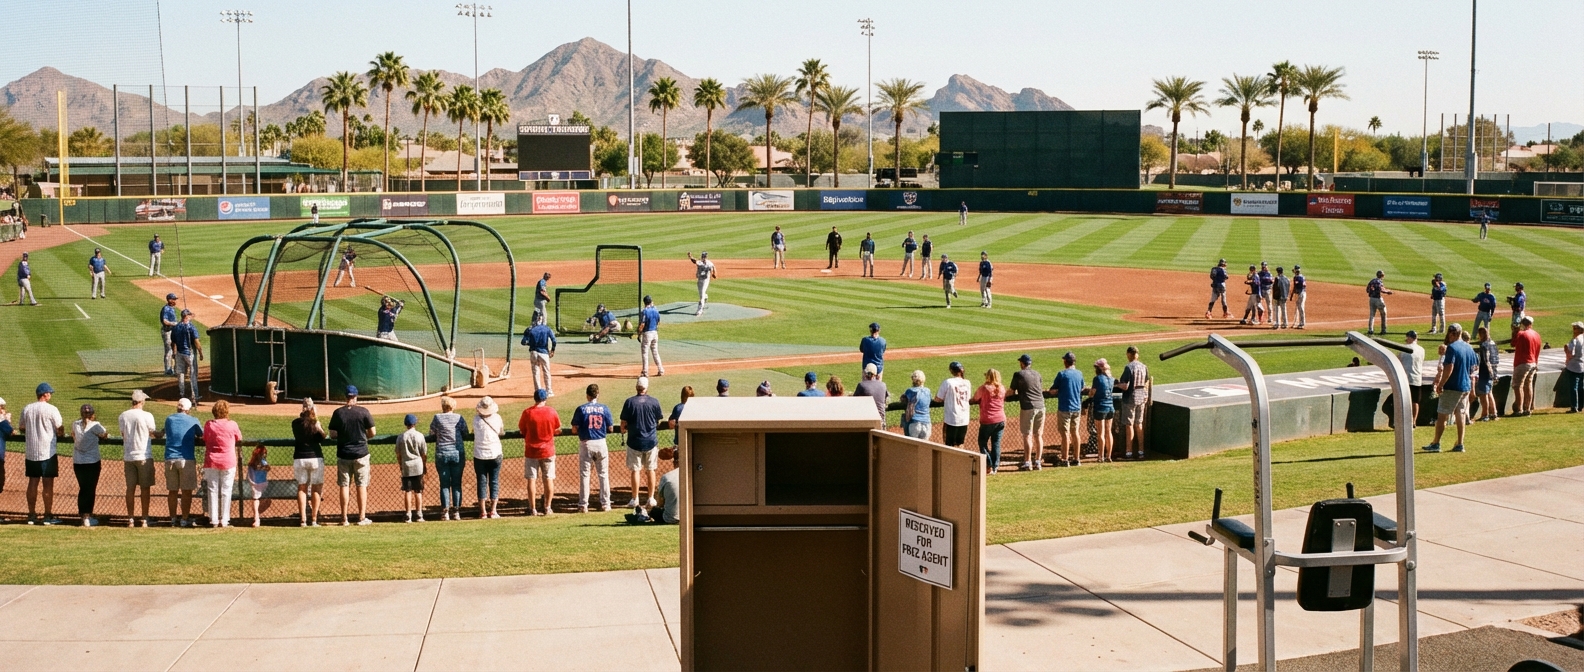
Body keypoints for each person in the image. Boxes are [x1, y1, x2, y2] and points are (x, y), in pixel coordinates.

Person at [1423, 324, 1477, 453]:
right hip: (1465, 386)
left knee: (1442, 415)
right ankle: (1460, 443)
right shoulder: (1469, 347)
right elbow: (1474, 367)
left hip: (1452, 386)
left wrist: (1441, 384)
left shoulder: (1452, 348)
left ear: (1452, 334)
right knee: (1461, 414)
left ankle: (1436, 443)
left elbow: (1449, 368)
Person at [328, 385, 376, 526]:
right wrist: (363, 436)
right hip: (361, 454)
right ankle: (361, 517)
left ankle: (344, 518)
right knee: (361, 485)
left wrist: (344, 435)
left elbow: (332, 434)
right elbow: (372, 432)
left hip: (344, 454)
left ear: (346, 397)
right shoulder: (363, 411)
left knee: (344, 486)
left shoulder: (338, 413)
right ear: (356, 396)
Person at [22, 382, 65, 525]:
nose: (50, 395)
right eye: (49, 393)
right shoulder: (52, 409)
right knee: (47, 484)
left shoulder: (27, 408)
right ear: (45, 394)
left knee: (32, 482)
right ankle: (47, 515)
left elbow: (21, 427)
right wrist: (60, 434)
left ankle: (31, 515)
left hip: (31, 452)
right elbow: (59, 428)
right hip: (48, 452)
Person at [621, 377, 664, 508]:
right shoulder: (654, 402)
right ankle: (651, 498)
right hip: (651, 441)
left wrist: (623, 429)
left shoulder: (629, 402)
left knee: (635, 470)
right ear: (646, 388)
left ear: (637, 387)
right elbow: (658, 420)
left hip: (634, 441)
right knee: (651, 470)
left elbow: (623, 423)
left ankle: (635, 499)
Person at [571, 384, 614, 513]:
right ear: (597, 394)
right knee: (603, 475)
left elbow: (574, 429)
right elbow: (610, 428)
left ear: (587, 395)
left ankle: (583, 505)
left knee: (585, 475)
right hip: (601, 443)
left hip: (586, 444)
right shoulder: (604, 408)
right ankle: (606, 504)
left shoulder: (581, 409)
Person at [118, 390, 158, 527]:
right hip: (143, 455)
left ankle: (130, 518)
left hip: (129, 456)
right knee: (145, 488)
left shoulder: (123, 415)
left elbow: (123, 434)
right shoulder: (147, 415)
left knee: (130, 489)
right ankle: (144, 518)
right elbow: (153, 433)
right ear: (141, 401)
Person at [519, 389, 560, 516]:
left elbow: (522, 430)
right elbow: (557, 428)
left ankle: (532, 509)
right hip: (548, 450)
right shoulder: (551, 411)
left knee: (531, 479)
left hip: (531, 451)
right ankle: (548, 507)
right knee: (548, 479)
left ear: (535, 398)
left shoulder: (527, 413)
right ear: (545, 398)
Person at [201, 400, 242, 528]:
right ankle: (224, 520)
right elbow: (239, 438)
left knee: (212, 490)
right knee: (226, 490)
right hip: (228, 461)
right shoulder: (232, 424)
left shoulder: (209, 424)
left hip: (212, 461)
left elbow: (205, 438)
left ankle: (213, 519)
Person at [162, 398, 201, 527]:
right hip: (186, 458)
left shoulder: (169, 419)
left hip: (170, 458)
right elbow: (200, 434)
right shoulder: (193, 420)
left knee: (172, 491)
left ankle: (173, 519)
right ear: (188, 409)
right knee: (186, 491)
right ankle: (184, 519)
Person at [429, 396, 468, 521]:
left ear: (443, 406)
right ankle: (456, 512)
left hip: (442, 453)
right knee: (456, 484)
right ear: (453, 406)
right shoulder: (459, 418)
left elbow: (431, 433)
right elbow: (465, 432)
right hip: (457, 454)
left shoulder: (437, 418)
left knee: (444, 484)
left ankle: (445, 512)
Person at [70, 404, 108, 527]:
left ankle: (83, 515)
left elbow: (73, 435)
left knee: (83, 488)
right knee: (90, 489)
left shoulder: (75, 424)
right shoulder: (95, 425)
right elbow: (104, 434)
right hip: (92, 462)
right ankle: (87, 517)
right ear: (92, 414)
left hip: (78, 462)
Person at [291, 398, 326, 527]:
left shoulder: (295, 423)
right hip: (315, 457)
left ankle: (303, 520)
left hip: (300, 458)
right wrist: (316, 418)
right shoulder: (315, 423)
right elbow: (323, 437)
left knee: (302, 488)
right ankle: (314, 519)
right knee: (316, 488)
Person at [1008, 354, 1046, 469]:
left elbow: (1011, 391)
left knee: (1027, 435)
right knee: (1038, 435)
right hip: (1041, 406)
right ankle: (1038, 462)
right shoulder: (1037, 374)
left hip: (1028, 407)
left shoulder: (1018, 374)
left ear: (1022, 363)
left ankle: (1028, 462)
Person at [471, 396, 505, 519]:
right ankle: (493, 511)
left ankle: (483, 512)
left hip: (479, 455)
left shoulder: (476, 419)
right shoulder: (497, 418)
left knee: (481, 482)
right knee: (494, 481)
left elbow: (473, 432)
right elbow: (501, 432)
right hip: (495, 453)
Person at [1050, 352, 1085, 467]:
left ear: (1065, 362)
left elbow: (1053, 390)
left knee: (1065, 434)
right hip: (1077, 407)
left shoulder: (1062, 374)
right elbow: (1082, 387)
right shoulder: (1079, 373)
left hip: (1065, 408)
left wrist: (1059, 391)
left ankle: (1065, 459)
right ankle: (1076, 458)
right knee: (1075, 433)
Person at [1115, 346, 1148, 460]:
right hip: (1141, 398)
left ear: (1129, 354)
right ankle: (1141, 451)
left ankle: (1129, 452)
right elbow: (1146, 382)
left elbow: (1125, 386)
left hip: (1130, 398)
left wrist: (1116, 384)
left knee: (1129, 425)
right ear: (1137, 354)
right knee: (1139, 424)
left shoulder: (1129, 367)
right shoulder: (1144, 367)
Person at [972, 369, 1006, 473]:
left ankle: (988, 464)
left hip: (988, 420)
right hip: (1000, 419)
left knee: (982, 442)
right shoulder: (1002, 388)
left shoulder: (984, 388)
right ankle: (995, 466)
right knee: (996, 443)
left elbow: (975, 398)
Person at [396, 414, 428, 523]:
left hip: (406, 465)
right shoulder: (420, 435)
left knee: (407, 491)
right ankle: (419, 515)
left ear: (406, 424)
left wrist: (400, 465)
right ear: (415, 423)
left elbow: (398, 453)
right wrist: (424, 465)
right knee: (418, 491)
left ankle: (408, 515)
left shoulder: (401, 437)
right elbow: (424, 453)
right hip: (418, 465)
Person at [934, 362, 972, 448]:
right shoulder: (967, 383)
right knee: (960, 443)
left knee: (949, 445)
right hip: (964, 419)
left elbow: (938, 399)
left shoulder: (948, 382)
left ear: (951, 371)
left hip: (952, 419)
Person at [1085, 359, 1115, 463]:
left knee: (1100, 433)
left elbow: (1092, 393)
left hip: (1100, 408)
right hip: (1110, 407)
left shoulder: (1097, 379)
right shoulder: (1111, 379)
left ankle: (1101, 456)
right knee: (1108, 432)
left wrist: (1089, 394)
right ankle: (1109, 456)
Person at [1510, 316, 1541, 417]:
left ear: (1523, 323)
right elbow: (1537, 350)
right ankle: (1527, 409)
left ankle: (1519, 409)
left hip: (1522, 363)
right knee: (1528, 385)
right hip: (1533, 362)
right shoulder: (1536, 334)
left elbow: (1513, 344)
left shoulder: (1521, 334)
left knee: (1517, 386)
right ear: (1531, 324)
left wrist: (1514, 332)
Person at [171, 309, 204, 402]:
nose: (191, 316)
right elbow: (196, 342)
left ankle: (182, 394)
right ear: (186, 316)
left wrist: (174, 353)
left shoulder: (176, 327)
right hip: (189, 354)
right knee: (193, 374)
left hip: (179, 353)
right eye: (189, 315)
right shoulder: (191, 327)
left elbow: (173, 342)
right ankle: (195, 395)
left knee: (181, 374)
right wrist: (200, 353)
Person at [522, 313, 557, 397]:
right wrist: (552, 350)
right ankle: (549, 391)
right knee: (546, 372)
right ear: (542, 319)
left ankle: (538, 392)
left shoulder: (529, 329)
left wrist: (531, 343)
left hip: (533, 352)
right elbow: (554, 341)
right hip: (544, 353)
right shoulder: (546, 328)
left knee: (536, 372)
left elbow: (523, 342)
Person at [1398, 331, 1427, 428]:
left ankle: (1404, 420)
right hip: (1417, 378)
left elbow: (1398, 361)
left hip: (1405, 378)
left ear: (1409, 338)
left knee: (1404, 401)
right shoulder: (1421, 349)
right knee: (1415, 401)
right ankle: (1413, 421)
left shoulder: (1403, 349)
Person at [1474, 326, 1501, 422]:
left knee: (1483, 394)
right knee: (1489, 392)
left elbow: (1486, 360)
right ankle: (1494, 413)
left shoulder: (1484, 345)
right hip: (1494, 369)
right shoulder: (1493, 343)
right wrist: (1494, 374)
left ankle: (1485, 415)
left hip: (1486, 372)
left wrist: (1489, 372)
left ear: (1481, 334)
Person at [243, 444, 272, 527]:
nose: (264, 455)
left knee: (256, 499)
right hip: (260, 485)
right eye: (263, 453)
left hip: (254, 485)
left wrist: (262, 467)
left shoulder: (252, 463)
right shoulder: (261, 462)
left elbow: (266, 468)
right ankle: (257, 516)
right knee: (258, 499)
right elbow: (267, 468)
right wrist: (263, 467)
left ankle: (256, 516)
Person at [638, 295, 665, 377]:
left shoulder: (644, 311)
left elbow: (642, 324)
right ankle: (661, 370)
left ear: (644, 302)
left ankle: (645, 372)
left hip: (647, 334)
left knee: (645, 353)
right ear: (651, 301)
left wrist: (639, 334)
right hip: (655, 333)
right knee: (655, 352)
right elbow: (658, 322)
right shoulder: (656, 310)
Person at [901, 370, 932, 440]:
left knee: (912, 446)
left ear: (913, 379)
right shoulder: (928, 391)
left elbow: (903, 399)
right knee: (924, 446)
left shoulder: (910, 391)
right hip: (927, 423)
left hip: (914, 423)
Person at [687, 251, 717, 315]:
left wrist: (714, 273)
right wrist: (690, 257)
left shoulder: (709, 263)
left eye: (704, 256)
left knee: (701, 296)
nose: (703, 257)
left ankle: (700, 309)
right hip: (699, 280)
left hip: (706, 280)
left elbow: (713, 268)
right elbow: (694, 261)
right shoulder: (699, 262)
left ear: (706, 256)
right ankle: (705, 296)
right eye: (702, 256)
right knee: (701, 293)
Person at [1565, 322, 1584, 414]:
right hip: (1582, 365)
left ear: (1580, 330)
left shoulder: (1575, 340)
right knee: (1581, 387)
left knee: (1574, 387)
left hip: (1574, 366)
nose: (1573, 330)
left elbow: (1571, 354)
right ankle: (1580, 405)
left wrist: (1566, 350)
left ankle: (1574, 407)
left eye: (1575, 328)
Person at [1366, 270, 1393, 335]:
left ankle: (1370, 330)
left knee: (1372, 315)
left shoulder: (1372, 281)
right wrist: (1388, 292)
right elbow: (1382, 290)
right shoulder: (1379, 282)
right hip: (1378, 299)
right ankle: (1383, 330)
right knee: (1383, 314)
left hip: (1371, 299)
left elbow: (1367, 290)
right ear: (1382, 276)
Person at [160, 293, 180, 375]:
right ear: (169, 300)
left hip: (173, 331)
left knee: (175, 350)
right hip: (167, 332)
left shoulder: (172, 308)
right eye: (174, 299)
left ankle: (176, 368)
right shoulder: (166, 309)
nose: (175, 301)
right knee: (169, 350)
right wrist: (174, 324)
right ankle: (168, 369)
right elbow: (165, 321)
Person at [1292, 265, 1308, 329]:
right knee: (1298, 307)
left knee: (1300, 307)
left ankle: (1302, 323)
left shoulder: (1298, 278)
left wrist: (1294, 294)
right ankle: (1297, 322)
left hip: (1301, 293)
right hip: (1301, 293)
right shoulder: (1301, 276)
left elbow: (1298, 287)